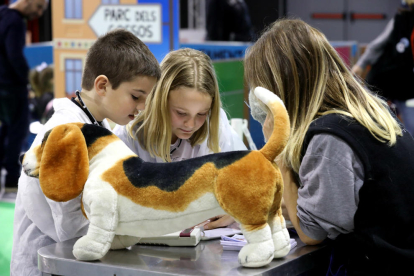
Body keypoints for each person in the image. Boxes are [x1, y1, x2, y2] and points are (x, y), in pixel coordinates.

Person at [244, 18, 414, 275]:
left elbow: (311, 232)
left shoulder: (330, 139)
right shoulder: (370, 114)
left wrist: (278, 147)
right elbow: (325, 203)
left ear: (282, 88)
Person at [10, 29, 161, 276]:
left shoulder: (94, 124)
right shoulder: (64, 133)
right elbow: (71, 227)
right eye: (136, 96)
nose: (142, 107)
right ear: (102, 85)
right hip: (49, 263)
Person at [113, 48, 247, 164]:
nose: (190, 125)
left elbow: (242, 176)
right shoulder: (128, 135)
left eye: (201, 114)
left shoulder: (217, 130)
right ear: (159, 102)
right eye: (181, 113)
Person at [0, 0, 49, 192]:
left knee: (6, 129)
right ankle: (12, 179)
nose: (38, 13)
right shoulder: (15, 22)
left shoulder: (2, 14)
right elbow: (15, 56)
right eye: (38, 7)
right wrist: (27, 80)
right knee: (17, 131)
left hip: (3, 84)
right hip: (12, 86)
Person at [351, 0, 414, 135]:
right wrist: (361, 64)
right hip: (382, 81)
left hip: (407, 89)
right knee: (371, 126)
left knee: (411, 130)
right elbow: (377, 45)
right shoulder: (402, 19)